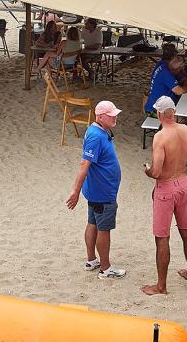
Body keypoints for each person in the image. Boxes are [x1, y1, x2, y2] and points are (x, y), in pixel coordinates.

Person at [141, 96, 187, 295]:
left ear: (159, 114)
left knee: (162, 237)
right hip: (183, 183)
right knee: (186, 231)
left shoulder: (160, 137)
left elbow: (157, 172)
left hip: (166, 188)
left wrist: (147, 170)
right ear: (173, 112)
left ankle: (161, 286)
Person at [64, 100, 126, 278]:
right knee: (103, 229)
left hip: (98, 190)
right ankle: (105, 269)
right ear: (100, 116)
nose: (115, 117)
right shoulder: (95, 136)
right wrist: (75, 191)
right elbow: (84, 164)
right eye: (111, 114)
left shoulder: (100, 132)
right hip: (102, 191)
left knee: (93, 223)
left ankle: (91, 260)